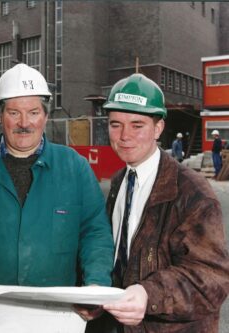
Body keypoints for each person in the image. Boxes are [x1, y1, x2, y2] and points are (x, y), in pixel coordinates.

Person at [0, 64, 114, 311]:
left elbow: (95, 233)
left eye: (33, 112)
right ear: (1, 116)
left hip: (54, 313)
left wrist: (97, 284)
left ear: (45, 116)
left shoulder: (75, 168)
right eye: (14, 113)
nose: (24, 123)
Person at [87, 73, 229, 332]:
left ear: (159, 127)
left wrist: (148, 294)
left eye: (137, 125)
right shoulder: (120, 181)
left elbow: (213, 279)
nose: (124, 136)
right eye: (115, 124)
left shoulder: (191, 191)